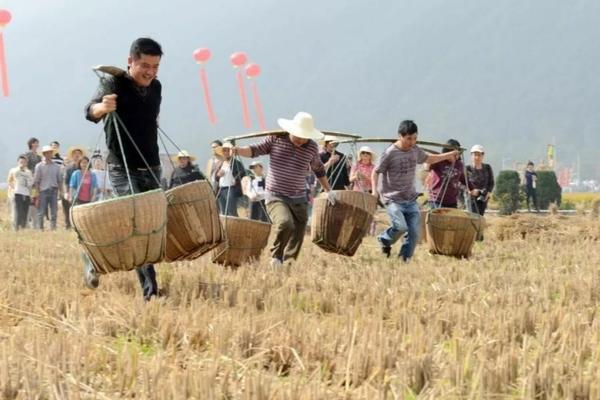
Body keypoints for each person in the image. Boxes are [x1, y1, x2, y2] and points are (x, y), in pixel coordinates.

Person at [84, 37, 164, 299]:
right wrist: (103, 107)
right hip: (122, 167)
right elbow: (89, 110)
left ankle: (92, 255)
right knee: (138, 226)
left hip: (152, 166)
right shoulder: (113, 82)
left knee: (148, 228)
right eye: (144, 65)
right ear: (130, 61)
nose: (150, 72)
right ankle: (150, 293)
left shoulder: (157, 87)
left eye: (155, 66)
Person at [233, 111, 335, 267]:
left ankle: (288, 262)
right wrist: (239, 150)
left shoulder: (312, 148)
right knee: (285, 223)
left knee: (299, 228)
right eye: (298, 136)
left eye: (304, 137)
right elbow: (255, 150)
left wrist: (328, 190)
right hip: (276, 194)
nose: (301, 140)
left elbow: (318, 169)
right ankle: (276, 256)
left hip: (299, 195)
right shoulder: (276, 139)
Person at [371, 120, 459, 261]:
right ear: (400, 136)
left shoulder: (415, 150)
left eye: (414, 138)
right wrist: (374, 191)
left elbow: (429, 158)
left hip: (410, 199)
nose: (412, 142)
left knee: (414, 233)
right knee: (400, 226)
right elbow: (375, 172)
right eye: (409, 139)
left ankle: (403, 260)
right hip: (393, 199)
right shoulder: (390, 153)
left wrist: (447, 155)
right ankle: (384, 239)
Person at [425, 139, 474, 209]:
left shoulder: (459, 164)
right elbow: (426, 166)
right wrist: (444, 157)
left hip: (452, 201)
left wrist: (472, 189)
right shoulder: (438, 160)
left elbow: (463, 178)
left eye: (458, 154)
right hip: (436, 200)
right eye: (454, 154)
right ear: (447, 152)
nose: (456, 156)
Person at [33, 145, 63, 230]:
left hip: (54, 190)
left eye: (50, 152)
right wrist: (37, 192)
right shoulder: (39, 166)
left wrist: (61, 192)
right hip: (43, 191)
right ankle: (40, 228)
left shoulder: (56, 167)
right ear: (44, 154)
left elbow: (59, 180)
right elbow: (36, 180)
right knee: (41, 211)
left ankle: (53, 228)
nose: (49, 154)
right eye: (47, 153)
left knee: (54, 211)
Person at [214, 142, 246, 216]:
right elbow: (216, 178)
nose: (226, 152)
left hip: (230, 189)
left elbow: (242, 172)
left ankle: (235, 226)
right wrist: (218, 175)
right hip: (221, 190)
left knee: (232, 212)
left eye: (228, 150)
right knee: (223, 212)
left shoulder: (236, 163)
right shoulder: (221, 163)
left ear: (231, 152)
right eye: (224, 151)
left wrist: (235, 179)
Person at [62, 146, 87, 229]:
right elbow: (65, 181)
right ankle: (68, 225)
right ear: (72, 156)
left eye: (79, 154)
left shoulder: (84, 167)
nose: (77, 156)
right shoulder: (68, 168)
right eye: (75, 154)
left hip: (82, 192)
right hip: (70, 190)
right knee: (68, 209)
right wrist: (66, 193)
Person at [466, 144, 494, 216]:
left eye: (479, 155)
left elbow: (491, 182)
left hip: (483, 197)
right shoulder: (467, 169)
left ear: (483, 156)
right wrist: (470, 190)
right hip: (471, 198)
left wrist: (488, 192)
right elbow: (461, 183)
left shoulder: (487, 167)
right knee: (473, 218)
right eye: (475, 155)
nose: (477, 157)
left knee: (480, 217)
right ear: (471, 155)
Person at [7, 155, 33, 230]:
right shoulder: (14, 170)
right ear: (18, 162)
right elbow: (9, 181)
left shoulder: (29, 172)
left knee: (25, 212)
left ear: (26, 163)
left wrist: (30, 195)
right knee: (17, 212)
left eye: (24, 162)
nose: (22, 163)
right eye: (21, 161)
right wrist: (13, 188)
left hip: (26, 194)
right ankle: (15, 228)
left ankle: (23, 228)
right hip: (17, 193)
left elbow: (30, 184)